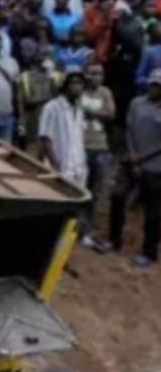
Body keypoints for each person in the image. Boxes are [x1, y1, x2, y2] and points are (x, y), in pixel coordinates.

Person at [110, 72, 161, 268]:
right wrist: (133, 155)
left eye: (158, 86)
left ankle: (149, 253)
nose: (155, 88)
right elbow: (129, 130)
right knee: (117, 196)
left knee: (153, 212)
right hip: (130, 161)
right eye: (153, 84)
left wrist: (141, 159)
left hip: (155, 168)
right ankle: (114, 240)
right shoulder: (136, 103)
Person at [39, 73, 92, 238]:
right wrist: (56, 168)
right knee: (56, 210)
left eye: (80, 83)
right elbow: (45, 138)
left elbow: (78, 138)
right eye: (73, 83)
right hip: (60, 168)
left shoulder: (79, 108)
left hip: (78, 167)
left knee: (73, 211)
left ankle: (67, 245)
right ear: (65, 85)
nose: (77, 87)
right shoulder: (52, 107)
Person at [80, 63, 117, 252]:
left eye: (99, 74)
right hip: (79, 147)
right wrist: (98, 114)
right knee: (78, 189)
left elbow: (111, 114)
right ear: (86, 74)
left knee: (95, 192)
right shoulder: (78, 91)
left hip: (100, 147)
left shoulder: (105, 93)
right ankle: (75, 229)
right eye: (92, 73)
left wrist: (91, 113)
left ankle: (86, 231)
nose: (96, 77)